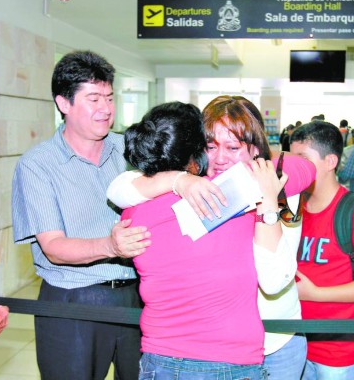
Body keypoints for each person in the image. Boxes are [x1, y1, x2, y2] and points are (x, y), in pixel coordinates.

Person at [107, 95, 317, 380]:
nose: (219, 158)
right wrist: (178, 180)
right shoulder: (212, 194)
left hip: (277, 338)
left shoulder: (270, 183)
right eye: (210, 146)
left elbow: (306, 168)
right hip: (227, 352)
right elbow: (118, 187)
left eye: (233, 147)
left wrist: (261, 178)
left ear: (256, 148)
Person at [11, 50, 151, 380]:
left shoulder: (129, 152)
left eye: (109, 97)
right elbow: (54, 247)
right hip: (72, 302)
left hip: (137, 297)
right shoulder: (38, 165)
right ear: (63, 103)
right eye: (93, 99)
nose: (105, 109)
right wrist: (111, 246)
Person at [289, 121, 354, 380]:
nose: (295, 167)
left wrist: (316, 294)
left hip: (339, 350)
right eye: (292, 158)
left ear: (330, 161)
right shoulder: (292, 207)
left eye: (303, 159)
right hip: (296, 344)